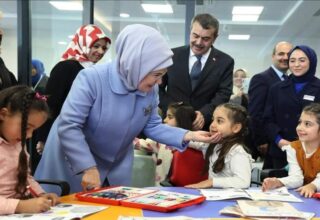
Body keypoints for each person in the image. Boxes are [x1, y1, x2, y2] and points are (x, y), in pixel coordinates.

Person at [35, 24, 217, 193]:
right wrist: (87, 167)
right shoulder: (91, 79)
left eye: (162, 75)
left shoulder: (149, 87)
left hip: (115, 165)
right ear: (136, 65)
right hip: (74, 163)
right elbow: (69, 125)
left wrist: (188, 135)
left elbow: (152, 125)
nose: (159, 82)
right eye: (156, 75)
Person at [36, 24, 111, 154]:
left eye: (104, 48)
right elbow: (51, 104)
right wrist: (44, 138)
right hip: (61, 133)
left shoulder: (92, 70)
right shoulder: (65, 67)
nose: (101, 52)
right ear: (83, 43)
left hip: (82, 135)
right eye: (96, 46)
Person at [159, 13, 234, 131]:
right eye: (195, 36)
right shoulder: (171, 56)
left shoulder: (225, 62)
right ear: (190, 32)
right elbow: (158, 88)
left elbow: (223, 93)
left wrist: (204, 114)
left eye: (205, 39)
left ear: (215, 38)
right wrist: (173, 111)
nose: (199, 42)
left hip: (203, 126)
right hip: (171, 125)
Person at [0, 85, 59, 215]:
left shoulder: (17, 141)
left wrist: (41, 194)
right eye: (26, 127)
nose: (30, 135)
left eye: (34, 130)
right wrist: (20, 206)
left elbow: (25, 177)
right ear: (3, 114)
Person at [263, 45, 320, 169]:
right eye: (292, 61)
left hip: (313, 151)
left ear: (312, 61)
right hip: (282, 150)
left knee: (310, 187)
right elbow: (268, 119)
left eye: (302, 60)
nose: (296, 64)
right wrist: (279, 141)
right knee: (279, 186)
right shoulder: (276, 88)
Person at [186, 103, 253, 189]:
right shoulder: (211, 144)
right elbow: (186, 140)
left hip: (231, 200)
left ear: (236, 128)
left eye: (219, 121)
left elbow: (243, 181)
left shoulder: (237, 151)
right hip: (213, 197)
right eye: (213, 119)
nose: (212, 125)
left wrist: (211, 182)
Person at [248, 41, 293, 165]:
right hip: (268, 143)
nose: (285, 58)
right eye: (281, 54)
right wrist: (261, 141)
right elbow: (255, 113)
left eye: (289, 54)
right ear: (273, 56)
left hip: (287, 144)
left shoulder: (291, 80)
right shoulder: (261, 79)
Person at [262, 103, 320, 198]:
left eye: (307, 124)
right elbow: (297, 178)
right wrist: (278, 182)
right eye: (300, 122)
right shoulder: (294, 148)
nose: (300, 127)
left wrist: (313, 186)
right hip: (309, 197)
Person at [134, 102, 197, 186]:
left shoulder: (196, 143)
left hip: (188, 188)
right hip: (162, 189)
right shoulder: (161, 142)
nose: (164, 120)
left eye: (170, 117)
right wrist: (132, 141)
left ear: (181, 119)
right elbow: (144, 144)